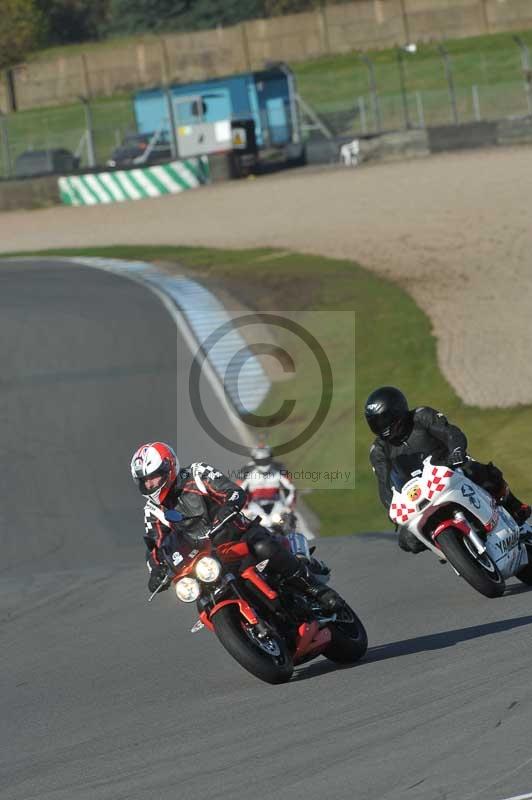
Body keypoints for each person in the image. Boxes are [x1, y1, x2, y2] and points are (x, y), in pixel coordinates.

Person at [129, 442, 339, 609]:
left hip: (236, 534)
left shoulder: (197, 474)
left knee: (263, 547)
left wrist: (228, 507)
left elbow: (234, 491)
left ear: (169, 467)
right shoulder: (152, 510)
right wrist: (156, 570)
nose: (150, 484)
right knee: (201, 600)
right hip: (203, 558)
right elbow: (156, 545)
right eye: (144, 480)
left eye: (154, 477)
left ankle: (315, 590)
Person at [364, 386, 531, 554]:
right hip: (419, 493)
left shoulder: (421, 416)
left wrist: (457, 452)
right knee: (407, 540)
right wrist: (391, 507)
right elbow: (383, 484)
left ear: (397, 410)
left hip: (449, 468)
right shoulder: (378, 451)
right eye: (375, 422)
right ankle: (453, 550)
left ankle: (516, 507)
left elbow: (450, 433)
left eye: (384, 419)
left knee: (479, 473)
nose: (381, 426)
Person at [240, 444, 296, 512]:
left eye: (266, 460)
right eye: (260, 461)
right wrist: (244, 508)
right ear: (254, 460)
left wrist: (288, 506)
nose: (263, 463)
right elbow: (239, 489)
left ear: (271, 458)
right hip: (254, 506)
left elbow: (291, 488)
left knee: (289, 517)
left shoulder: (280, 468)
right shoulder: (247, 470)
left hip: (277, 504)